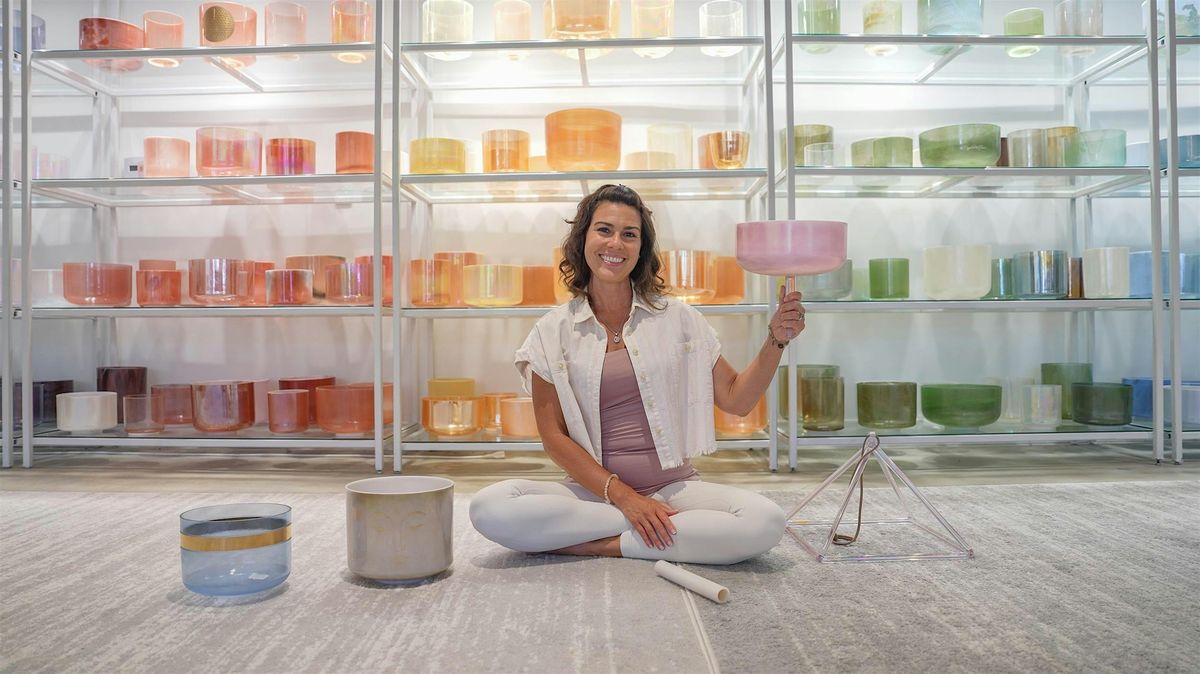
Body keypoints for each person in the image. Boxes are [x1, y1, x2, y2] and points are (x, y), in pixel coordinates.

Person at [470, 184, 806, 565]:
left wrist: (776, 339)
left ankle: (603, 543)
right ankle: (651, 531)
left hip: (673, 489)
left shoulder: (678, 319)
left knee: (766, 521)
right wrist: (627, 500)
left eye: (629, 234)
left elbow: (737, 400)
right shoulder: (551, 331)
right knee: (489, 507)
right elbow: (554, 438)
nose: (616, 243)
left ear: (641, 248)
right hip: (593, 495)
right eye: (604, 230)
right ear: (583, 239)